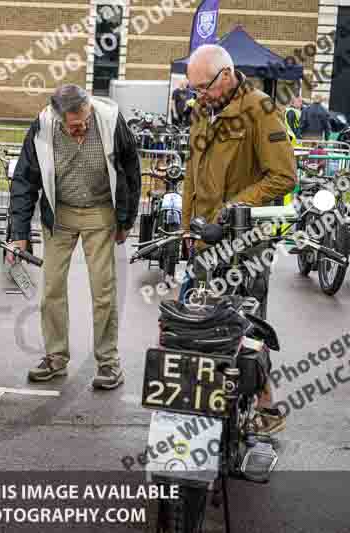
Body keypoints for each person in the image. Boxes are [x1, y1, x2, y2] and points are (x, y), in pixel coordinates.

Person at [182, 44, 296, 435]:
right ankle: (202, 408)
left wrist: (233, 212)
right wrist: (187, 226)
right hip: (203, 238)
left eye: (203, 87)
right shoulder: (202, 109)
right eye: (193, 88)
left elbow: (283, 176)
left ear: (226, 75)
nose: (198, 95)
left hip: (246, 242)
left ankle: (266, 409)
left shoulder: (261, 110)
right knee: (197, 322)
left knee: (246, 326)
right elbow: (191, 172)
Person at [9, 84, 141, 389]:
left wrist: (126, 219)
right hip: (60, 213)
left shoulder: (110, 118)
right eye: (73, 127)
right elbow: (24, 181)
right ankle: (55, 357)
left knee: (103, 290)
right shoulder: (42, 126)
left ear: (90, 109)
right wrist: (19, 233)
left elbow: (132, 171)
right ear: (58, 119)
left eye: (84, 122)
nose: (81, 130)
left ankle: (109, 363)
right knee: (52, 289)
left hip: (100, 211)